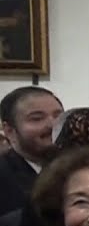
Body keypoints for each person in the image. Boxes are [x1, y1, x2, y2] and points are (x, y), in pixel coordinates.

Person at [0, 85, 62, 215]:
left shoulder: (76, 166)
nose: (53, 125)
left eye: (58, 116)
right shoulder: (4, 174)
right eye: (37, 118)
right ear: (9, 131)